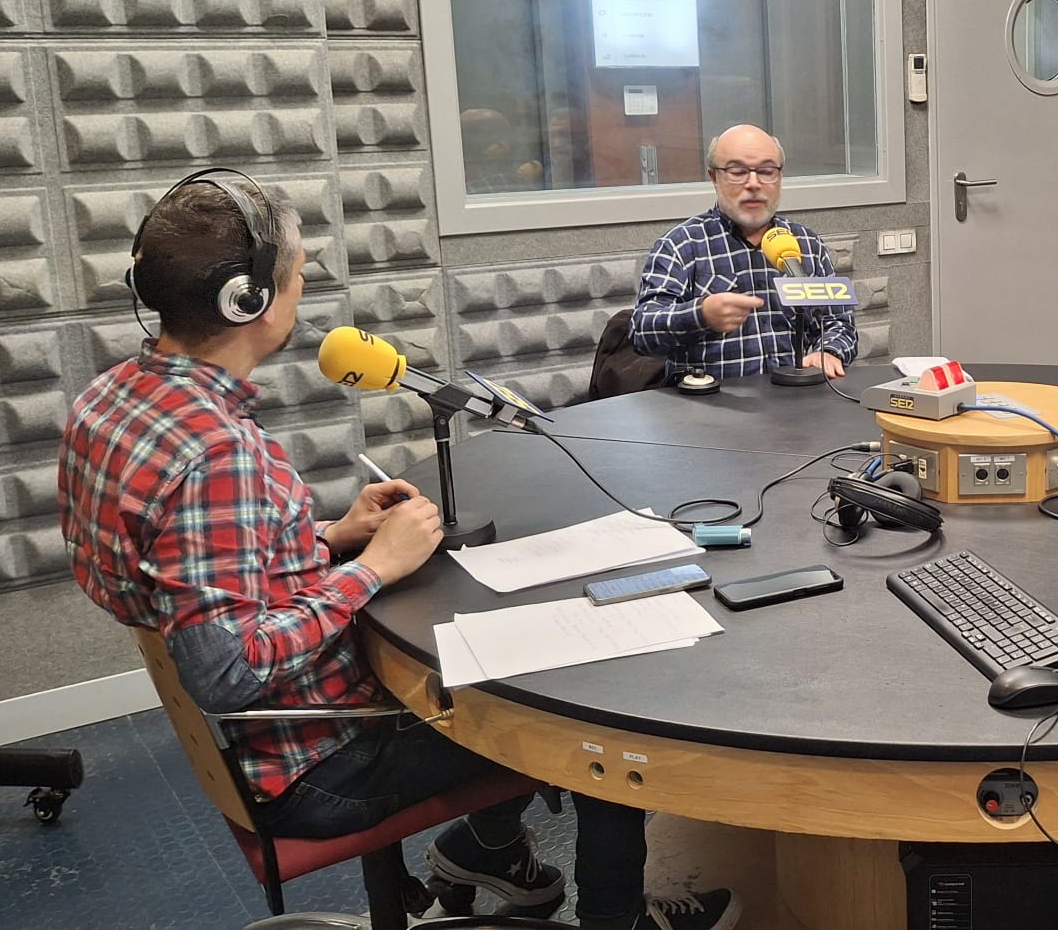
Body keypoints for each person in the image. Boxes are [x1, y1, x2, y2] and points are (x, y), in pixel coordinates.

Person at [58, 170, 738, 930]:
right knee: (602, 736)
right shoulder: (219, 453)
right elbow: (226, 670)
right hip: (321, 759)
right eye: (298, 269)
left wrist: (325, 537)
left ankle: (487, 853)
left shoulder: (112, 399)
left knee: (494, 659)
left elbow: (183, 574)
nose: (305, 278)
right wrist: (371, 569)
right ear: (247, 299)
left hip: (253, 744)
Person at [629, 124, 857, 380]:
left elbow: (839, 323)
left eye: (766, 171)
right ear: (714, 177)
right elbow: (642, 333)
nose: (753, 183)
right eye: (737, 172)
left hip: (795, 403)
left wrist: (828, 351)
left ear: (780, 177)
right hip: (711, 408)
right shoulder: (681, 245)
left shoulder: (806, 244)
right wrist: (701, 315)